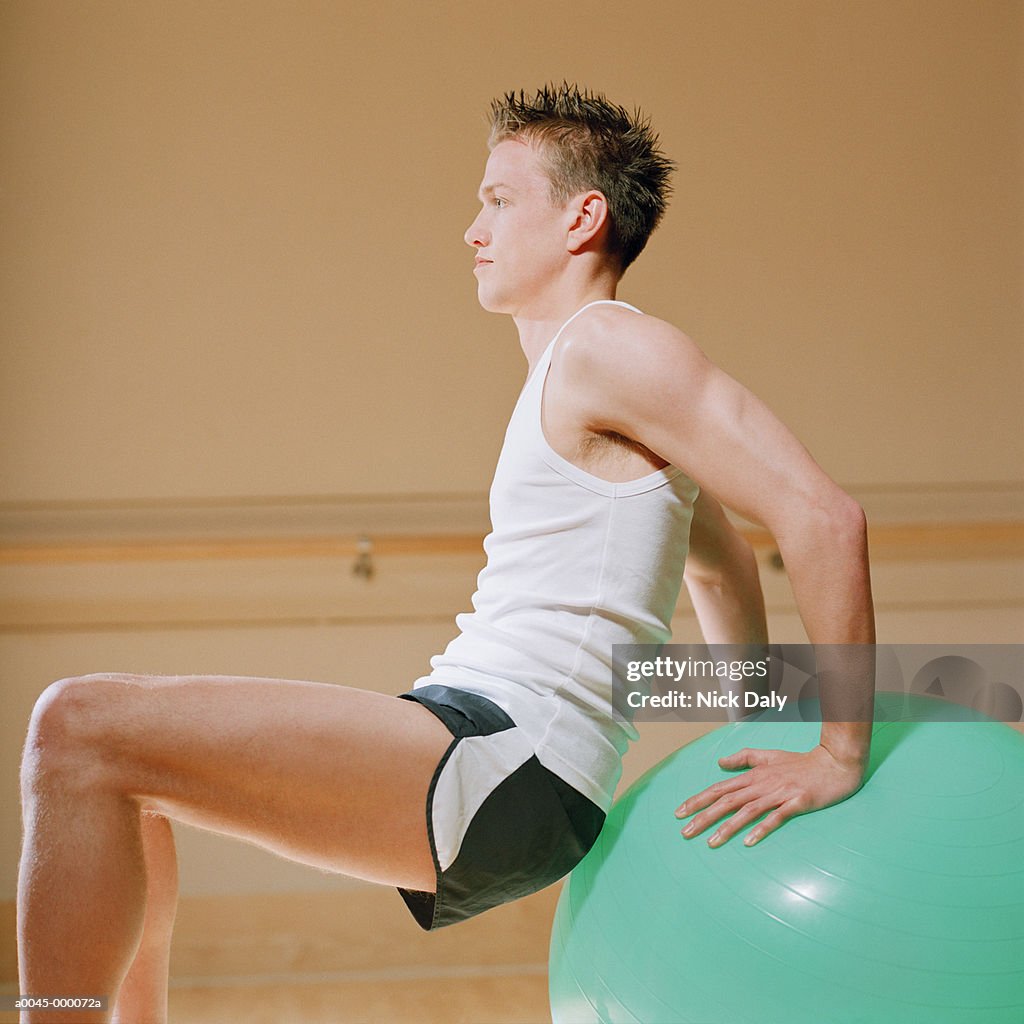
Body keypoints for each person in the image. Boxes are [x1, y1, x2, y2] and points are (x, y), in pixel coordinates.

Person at [17, 84, 875, 1022]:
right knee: (122, 777)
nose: (473, 230)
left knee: (78, 726)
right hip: (487, 745)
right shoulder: (586, 377)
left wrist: (836, 752)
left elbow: (824, 519)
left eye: (500, 201)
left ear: (583, 217)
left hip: (507, 757)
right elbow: (720, 560)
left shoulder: (614, 351)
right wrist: (746, 723)